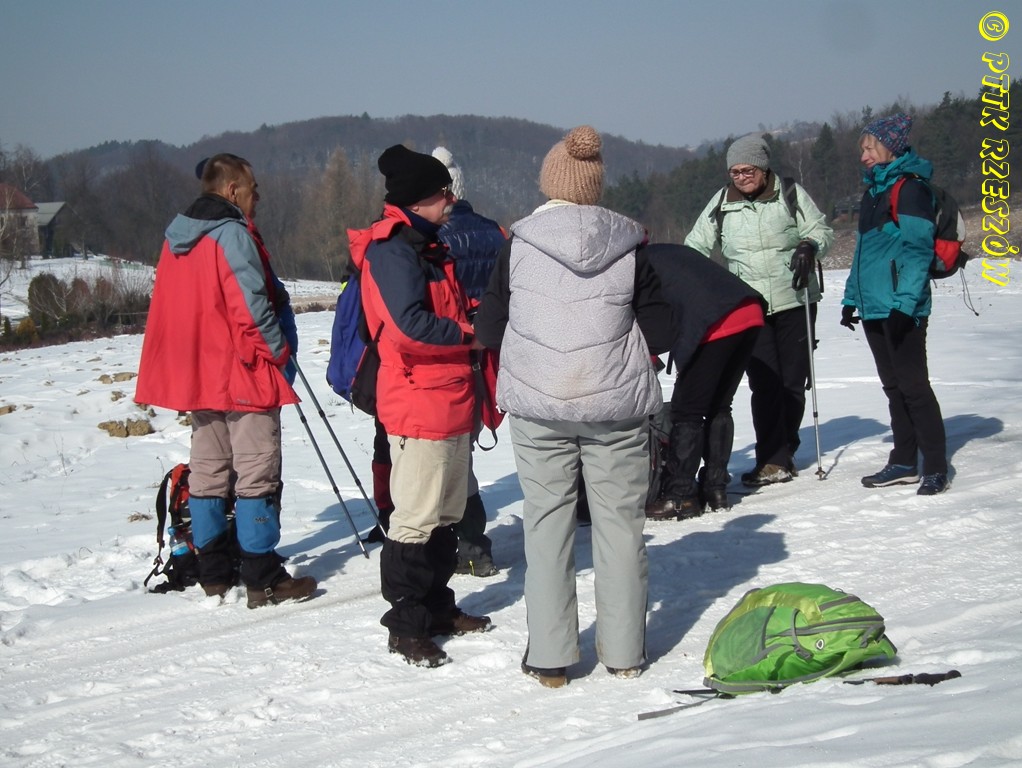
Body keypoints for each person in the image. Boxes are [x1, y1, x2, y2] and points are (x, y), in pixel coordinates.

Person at [474, 126, 676, 687]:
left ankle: (551, 657)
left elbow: (489, 327)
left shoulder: (517, 244)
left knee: (546, 526)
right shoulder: (630, 244)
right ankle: (624, 652)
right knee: (620, 527)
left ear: (549, 182)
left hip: (539, 406)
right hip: (616, 405)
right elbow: (661, 329)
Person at [135, 153, 317, 608]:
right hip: (243, 371)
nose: (259, 197)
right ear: (232, 190)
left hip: (198, 374)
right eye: (253, 189)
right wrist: (278, 350)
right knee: (257, 471)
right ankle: (262, 577)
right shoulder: (231, 235)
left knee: (209, 470)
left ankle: (214, 573)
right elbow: (251, 306)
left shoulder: (176, 240)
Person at [349, 144, 491, 668]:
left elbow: (444, 310)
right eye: (441, 193)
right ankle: (406, 625)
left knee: (445, 514)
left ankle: (436, 607)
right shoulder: (393, 250)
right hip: (418, 401)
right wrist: (469, 333)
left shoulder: (428, 246)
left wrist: (478, 314)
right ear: (416, 200)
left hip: (448, 396)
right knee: (414, 518)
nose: (451, 199)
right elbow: (408, 326)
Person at [685, 134, 833, 487]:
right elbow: (695, 246)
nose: (741, 178)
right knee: (765, 383)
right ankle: (772, 457)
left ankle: (784, 450)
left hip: (794, 299)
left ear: (763, 168)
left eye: (748, 170)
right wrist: (692, 281)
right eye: (735, 172)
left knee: (793, 382)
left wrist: (810, 246)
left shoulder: (789, 194)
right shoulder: (722, 202)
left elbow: (821, 230)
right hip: (749, 306)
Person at [840, 114, 949, 496]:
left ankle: (935, 466)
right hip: (874, 305)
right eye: (862, 150)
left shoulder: (910, 189)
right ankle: (904, 461)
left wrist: (905, 304)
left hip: (903, 307)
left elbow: (919, 251)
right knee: (893, 387)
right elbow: (864, 253)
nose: (864, 156)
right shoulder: (873, 192)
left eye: (870, 148)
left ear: (891, 147)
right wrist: (850, 298)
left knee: (914, 387)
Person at [643, 244, 765, 519]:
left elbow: (650, 319)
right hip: (748, 310)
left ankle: (680, 497)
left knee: (688, 410)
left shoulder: (636, 265)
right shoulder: (664, 252)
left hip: (715, 321)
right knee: (719, 405)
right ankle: (715, 488)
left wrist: (647, 356)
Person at [432, 145, 505, 577]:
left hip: (447, 356)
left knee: (450, 458)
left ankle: (469, 543)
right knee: (464, 453)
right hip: (489, 358)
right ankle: (473, 545)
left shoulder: (431, 239)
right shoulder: (495, 233)